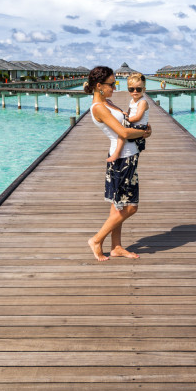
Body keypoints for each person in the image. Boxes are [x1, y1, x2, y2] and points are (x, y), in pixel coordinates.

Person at [85, 66, 151, 262]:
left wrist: (144, 130)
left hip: (129, 155)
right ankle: (97, 240)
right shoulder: (98, 108)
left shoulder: (108, 102)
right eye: (112, 84)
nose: (115, 87)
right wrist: (144, 132)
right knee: (131, 207)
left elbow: (128, 123)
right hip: (122, 159)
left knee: (118, 207)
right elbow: (122, 132)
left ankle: (116, 247)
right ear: (99, 86)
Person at [106, 73, 149, 162]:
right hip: (134, 124)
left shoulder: (142, 102)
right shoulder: (132, 101)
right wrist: (126, 114)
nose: (135, 91)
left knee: (122, 133)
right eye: (131, 89)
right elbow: (130, 112)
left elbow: (138, 117)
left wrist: (126, 119)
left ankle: (117, 153)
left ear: (144, 89)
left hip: (140, 126)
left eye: (138, 89)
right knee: (121, 131)